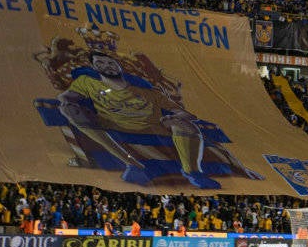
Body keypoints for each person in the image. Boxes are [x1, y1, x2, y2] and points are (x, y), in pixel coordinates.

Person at [58, 50, 261, 189]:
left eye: (110, 62)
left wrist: (173, 118)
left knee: (185, 125)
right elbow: (67, 98)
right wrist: (68, 101)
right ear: (94, 68)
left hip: (152, 126)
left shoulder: (149, 91)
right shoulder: (87, 82)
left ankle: (193, 172)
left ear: (119, 65)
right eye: (100, 63)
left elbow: (185, 113)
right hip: (112, 124)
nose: (106, 65)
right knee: (70, 110)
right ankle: (132, 163)